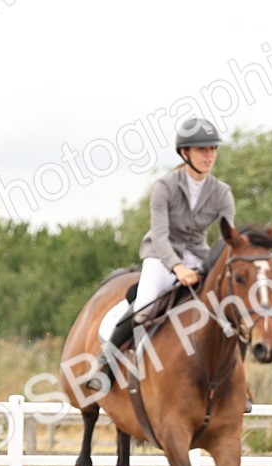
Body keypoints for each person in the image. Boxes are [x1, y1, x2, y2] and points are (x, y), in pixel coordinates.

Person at [84, 118, 235, 391]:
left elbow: (229, 239)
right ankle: (106, 364)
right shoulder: (164, 187)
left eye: (212, 149)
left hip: (198, 257)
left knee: (228, 307)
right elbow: (160, 235)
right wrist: (177, 268)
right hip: (160, 256)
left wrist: (215, 266)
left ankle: (232, 383)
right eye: (202, 150)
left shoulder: (222, 192)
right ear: (184, 153)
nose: (209, 155)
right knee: (145, 304)